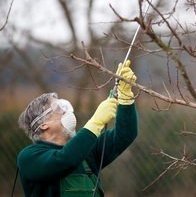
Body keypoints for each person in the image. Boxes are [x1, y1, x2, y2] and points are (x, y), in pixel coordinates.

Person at [17, 60, 138, 197]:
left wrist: (126, 97)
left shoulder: (87, 151)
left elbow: (125, 135)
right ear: (43, 125)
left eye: (65, 106)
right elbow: (63, 161)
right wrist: (95, 122)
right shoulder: (29, 157)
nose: (66, 111)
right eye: (58, 108)